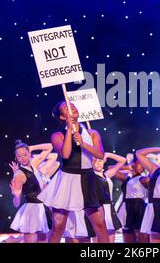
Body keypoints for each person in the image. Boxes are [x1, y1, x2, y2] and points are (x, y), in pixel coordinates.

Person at [37, 101, 109, 243]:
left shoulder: (91, 133)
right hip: (67, 179)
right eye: (67, 107)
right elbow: (65, 154)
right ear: (63, 117)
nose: (72, 107)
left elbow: (100, 155)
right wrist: (70, 130)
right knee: (58, 226)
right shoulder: (58, 135)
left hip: (88, 179)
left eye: (73, 104)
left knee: (100, 224)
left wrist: (83, 143)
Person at [9, 140, 52, 243]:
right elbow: (16, 204)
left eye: (25, 154)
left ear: (29, 154)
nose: (22, 158)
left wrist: (30, 147)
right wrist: (17, 196)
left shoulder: (34, 164)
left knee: (43, 240)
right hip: (31, 211)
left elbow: (49, 147)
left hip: (42, 208)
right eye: (19, 156)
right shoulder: (19, 174)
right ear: (16, 158)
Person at [113, 155, 149, 243]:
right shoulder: (127, 179)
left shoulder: (144, 179)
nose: (142, 166)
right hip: (126, 208)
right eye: (140, 164)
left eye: (143, 164)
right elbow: (111, 169)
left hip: (139, 208)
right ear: (134, 164)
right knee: (127, 235)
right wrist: (128, 167)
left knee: (142, 236)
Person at [92, 152, 126, 242]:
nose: (99, 163)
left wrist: (108, 155)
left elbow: (123, 161)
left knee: (111, 238)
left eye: (101, 161)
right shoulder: (90, 176)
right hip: (97, 209)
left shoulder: (106, 175)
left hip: (109, 209)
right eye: (96, 161)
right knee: (98, 237)